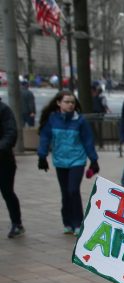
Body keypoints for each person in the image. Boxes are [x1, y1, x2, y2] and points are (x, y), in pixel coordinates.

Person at [37, 90, 99, 235]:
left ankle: (78, 223)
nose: (70, 105)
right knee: (65, 193)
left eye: (72, 102)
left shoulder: (80, 121)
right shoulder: (52, 119)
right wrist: (42, 156)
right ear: (59, 103)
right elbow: (45, 138)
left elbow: (88, 141)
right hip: (60, 161)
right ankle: (67, 222)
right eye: (67, 102)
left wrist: (94, 160)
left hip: (77, 160)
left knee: (73, 190)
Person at [0, 97, 23, 238]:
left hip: (3, 160)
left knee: (7, 192)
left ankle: (17, 223)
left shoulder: (3, 109)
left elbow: (11, 133)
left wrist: (1, 147)